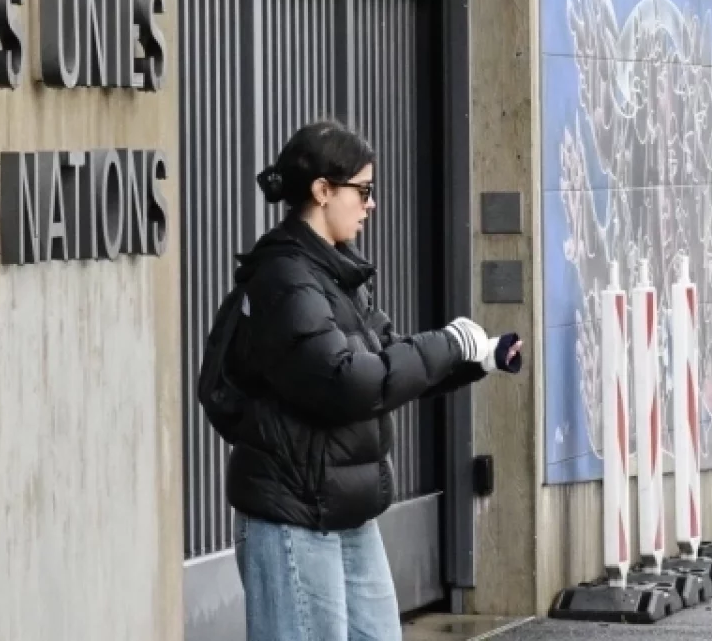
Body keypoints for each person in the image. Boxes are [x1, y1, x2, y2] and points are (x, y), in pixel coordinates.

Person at [222, 119, 523, 641]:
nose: (371, 203)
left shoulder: (335, 275)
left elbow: (387, 365)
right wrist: (448, 343)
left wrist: (476, 359)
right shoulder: (285, 280)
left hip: (345, 510)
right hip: (293, 515)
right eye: (362, 190)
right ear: (322, 191)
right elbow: (350, 383)